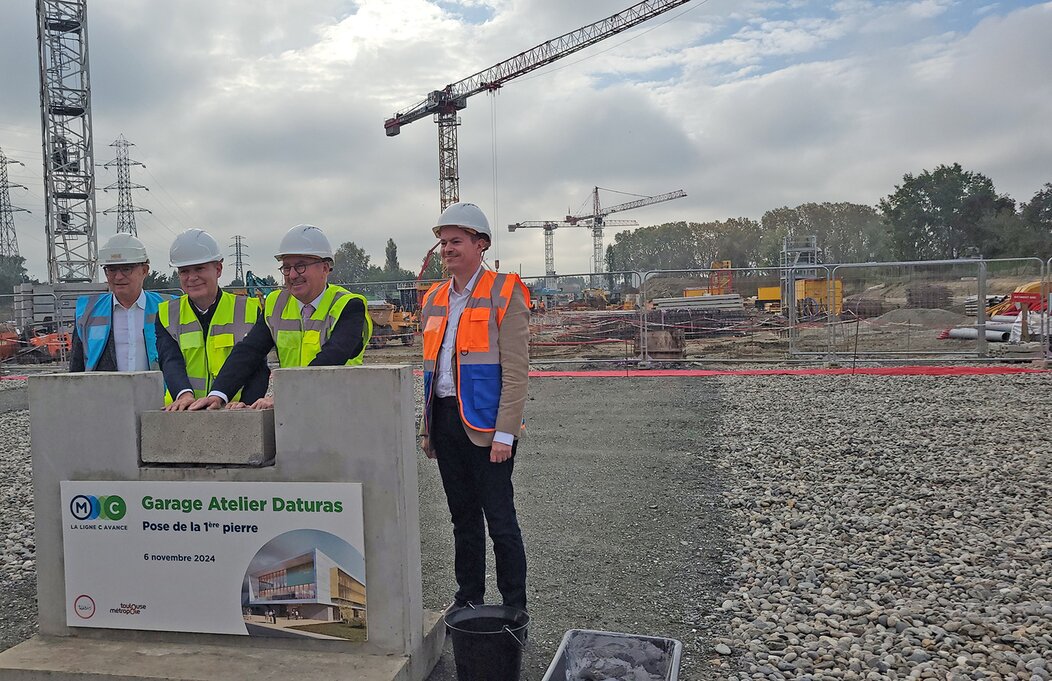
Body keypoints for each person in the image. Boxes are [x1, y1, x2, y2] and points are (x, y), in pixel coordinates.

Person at [418, 202, 531, 612]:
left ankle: (513, 607)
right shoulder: (433, 297)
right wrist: (427, 428)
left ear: (480, 244)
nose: (447, 249)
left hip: (487, 428)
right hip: (447, 421)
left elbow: (516, 370)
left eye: (456, 241)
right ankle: (468, 599)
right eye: (443, 242)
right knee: (462, 521)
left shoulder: (505, 290)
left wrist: (506, 432)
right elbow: (430, 369)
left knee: (500, 522)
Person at [188, 224, 371, 411]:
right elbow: (249, 351)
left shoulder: (349, 305)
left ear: (325, 268)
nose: (292, 275)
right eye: (286, 267)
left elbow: (332, 357)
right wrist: (218, 394)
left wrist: (285, 394)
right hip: (293, 412)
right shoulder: (276, 304)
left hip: (340, 410)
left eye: (301, 266)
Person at [157, 229, 269, 411]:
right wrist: (183, 394)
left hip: (233, 411)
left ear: (218, 269)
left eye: (199, 268)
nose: (192, 277)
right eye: (184, 271)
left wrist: (248, 404)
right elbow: (170, 360)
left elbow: (255, 364)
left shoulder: (248, 308)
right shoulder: (167, 313)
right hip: (184, 412)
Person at [70, 233, 171, 373]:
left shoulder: (169, 307)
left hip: (158, 394)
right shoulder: (87, 311)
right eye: (111, 269)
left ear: (144, 270)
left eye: (126, 269)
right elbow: (76, 367)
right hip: (104, 394)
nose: (118, 276)